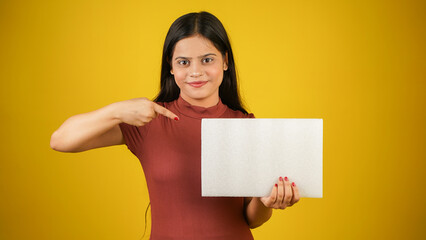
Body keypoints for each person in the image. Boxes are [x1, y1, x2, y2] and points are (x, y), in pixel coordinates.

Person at [50, 11, 300, 240]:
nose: (195, 72)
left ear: (225, 61)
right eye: (183, 62)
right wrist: (117, 111)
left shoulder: (245, 126)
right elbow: (61, 140)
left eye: (207, 60)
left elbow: (251, 219)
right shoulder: (149, 120)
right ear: (170, 66)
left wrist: (266, 200)